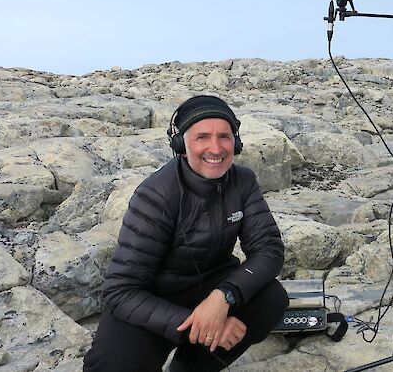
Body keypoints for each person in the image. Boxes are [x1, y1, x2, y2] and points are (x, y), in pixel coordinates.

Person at [83, 95, 288, 372]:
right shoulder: (155, 195)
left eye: (224, 137)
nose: (216, 148)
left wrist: (223, 297)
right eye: (202, 137)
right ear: (181, 144)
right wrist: (197, 323)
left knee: (271, 299)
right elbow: (120, 291)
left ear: (236, 142)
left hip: (212, 284)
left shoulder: (243, 181)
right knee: (109, 366)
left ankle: (189, 367)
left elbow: (269, 250)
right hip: (152, 297)